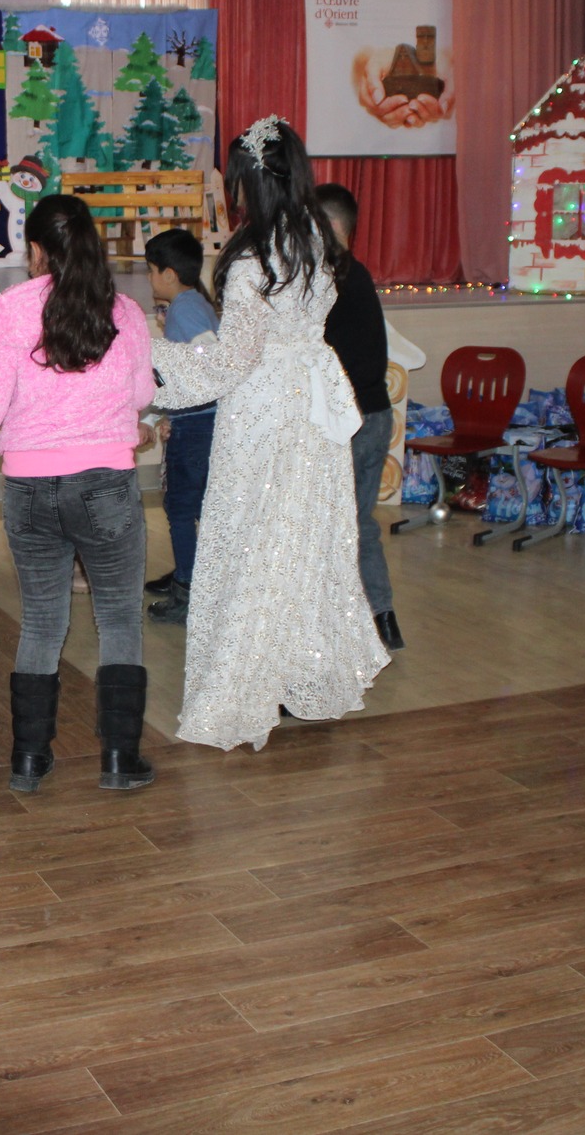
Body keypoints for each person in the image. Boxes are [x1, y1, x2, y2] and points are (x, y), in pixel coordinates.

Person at [150, 116, 391, 751]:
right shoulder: (314, 242)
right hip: (310, 411)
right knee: (301, 542)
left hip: (263, 412)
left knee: (251, 544)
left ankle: (247, 683)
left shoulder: (253, 259)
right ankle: (296, 673)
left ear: (249, 182)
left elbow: (232, 360)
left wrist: (150, 360)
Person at [0, 195, 156, 794]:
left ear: (37, 251)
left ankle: (29, 758)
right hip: (106, 483)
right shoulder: (124, 311)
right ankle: (120, 759)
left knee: (43, 622)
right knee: (119, 620)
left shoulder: (12, 312)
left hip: (27, 489)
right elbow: (141, 397)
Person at [314, 181, 404, 651]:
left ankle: (334, 631)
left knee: (327, 526)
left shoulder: (325, 278)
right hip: (375, 414)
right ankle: (382, 619)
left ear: (326, 224)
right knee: (359, 523)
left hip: (345, 422)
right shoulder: (359, 273)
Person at [140, 228, 218, 627]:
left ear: (169, 274)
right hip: (198, 422)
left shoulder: (185, 310)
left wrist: (158, 414)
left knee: (181, 508)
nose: (149, 279)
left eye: (151, 271)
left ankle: (188, 589)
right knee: (195, 506)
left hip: (195, 426)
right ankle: (195, 577)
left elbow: (207, 362)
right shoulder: (192, 304)